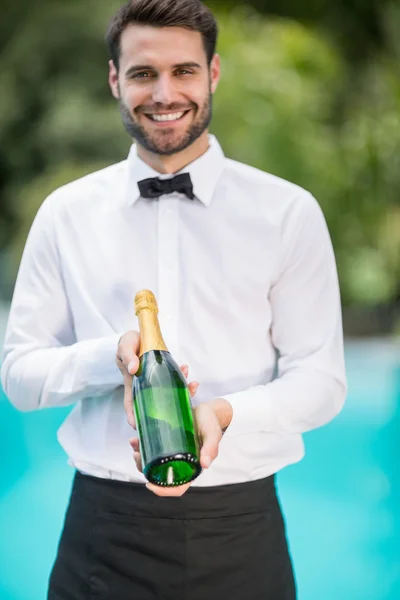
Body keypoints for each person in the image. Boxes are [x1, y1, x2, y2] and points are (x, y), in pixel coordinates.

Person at [1, 0, 347, 598]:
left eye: (183, 71)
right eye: (142, 73)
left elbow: (322, 381)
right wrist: (108, 357)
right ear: (115, 80)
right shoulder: (65, 214)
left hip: (242, 532)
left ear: (213, 73)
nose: (164, 92)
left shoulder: (288, 213)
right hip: (102, 536)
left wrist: (223, 414)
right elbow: (19, 378)